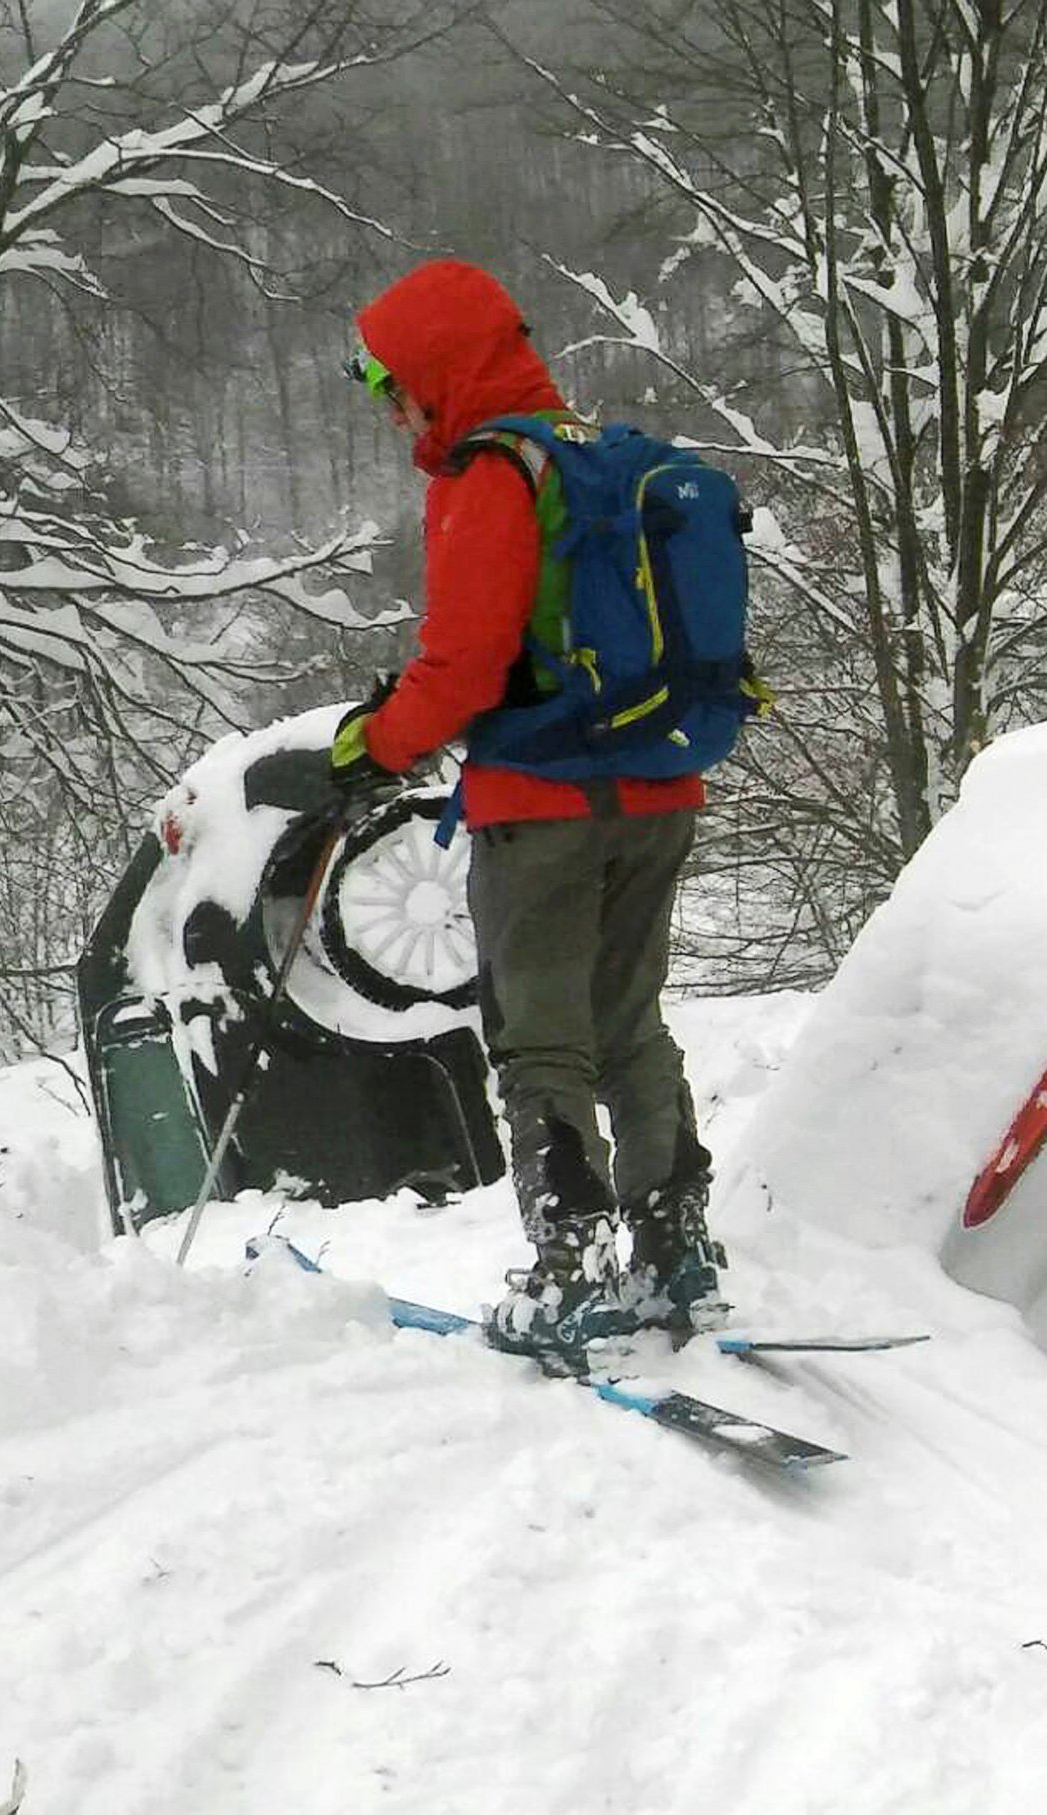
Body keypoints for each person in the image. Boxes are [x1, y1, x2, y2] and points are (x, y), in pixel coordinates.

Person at [326, 258, 725, 1355]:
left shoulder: (489, 475)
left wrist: (373, 746)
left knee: (540, 1039)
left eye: (393, 387)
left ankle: (570, 1269)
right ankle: (674, 1248)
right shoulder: (596, 457)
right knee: (629, 1021)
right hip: (659, 791)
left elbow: (463, 667)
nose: (392, 411)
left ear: (436, 372)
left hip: (541, 807)